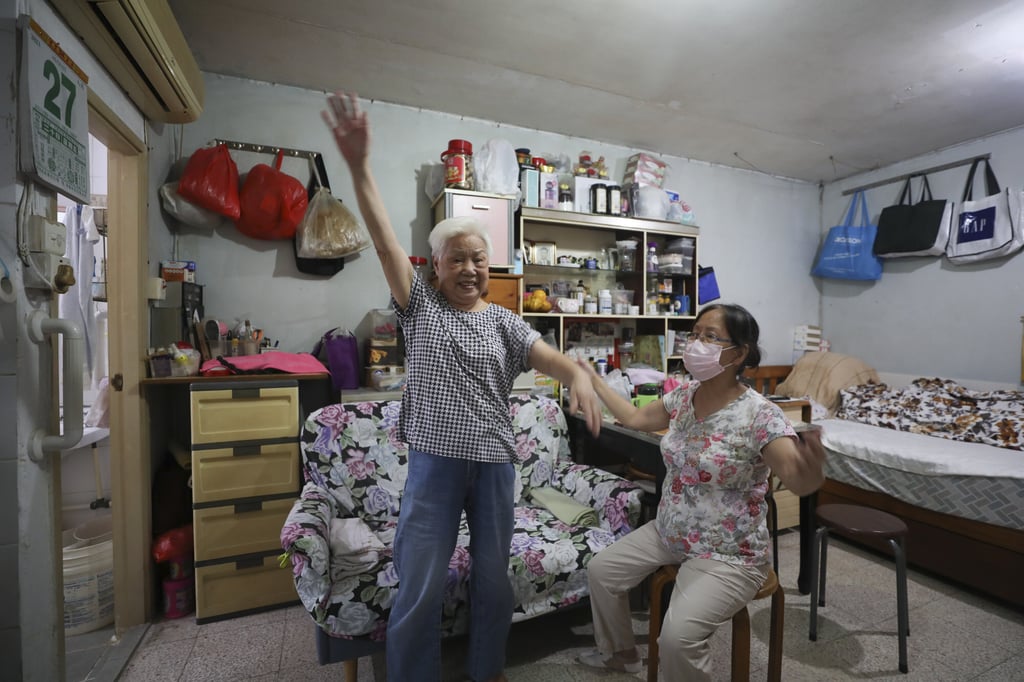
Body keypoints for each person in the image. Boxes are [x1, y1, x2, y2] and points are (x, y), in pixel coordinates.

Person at [322, 91, 603, 682]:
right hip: (435, 463)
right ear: (436, 266)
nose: (470, 269)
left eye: (478, 259)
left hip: (497, 464)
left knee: (493, 580)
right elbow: (380, 241)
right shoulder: (420, 304)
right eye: (457, 260)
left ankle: (487, 671)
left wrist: (578, 373)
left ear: (489, 265)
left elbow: (550, 358)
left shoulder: (504, 320)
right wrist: (359, 167)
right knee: (420, 584)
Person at [576, 303, 825, 680]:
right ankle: (622, 655)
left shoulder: (760, 415)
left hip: (730, 552)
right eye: (694, 334)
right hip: (671, 531)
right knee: (602, 571)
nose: (696, 343)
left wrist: (810, 470)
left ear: (739, 353)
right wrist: (594, 381)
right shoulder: (683, 397)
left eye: (710, 336)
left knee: (677, 638)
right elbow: (632, 418)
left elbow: (797, 477)